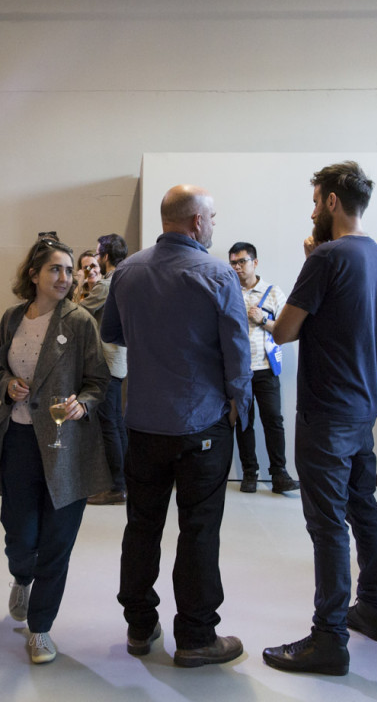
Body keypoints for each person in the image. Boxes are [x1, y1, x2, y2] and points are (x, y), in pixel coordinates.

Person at [102, 184, 250, 669]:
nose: (214, 225)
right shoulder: (218, 274)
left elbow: (112, 333)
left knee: (141, 526)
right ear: (196, 221)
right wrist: (240, 405)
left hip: (144, 423)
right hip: (201, 423)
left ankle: (139, 625)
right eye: (212, 217)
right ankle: (196, 636)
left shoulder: (127, 271)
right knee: (199, 530)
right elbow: (237, 350)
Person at [262, 161, 377, 677]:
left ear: (333, 202)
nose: (313, 210)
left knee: (327, 523)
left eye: (316, 201)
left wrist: (311, 263)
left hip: (326, 410)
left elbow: (284, 332)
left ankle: (329, 637)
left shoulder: (328, 257)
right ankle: (374, 608)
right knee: (364, 509)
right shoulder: (375, 254)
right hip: (361, 405)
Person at [0, 237, 110, 664]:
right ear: (34, 274)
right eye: (56, 269)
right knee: (19, 534)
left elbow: (98, 381)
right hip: (19, 440)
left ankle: (40, 629)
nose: (65, 277)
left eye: (69, 270)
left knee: (58, 540)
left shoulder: (79, 322)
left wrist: (83, 403)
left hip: (65, 445)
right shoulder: (12, 318)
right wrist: (7, 385)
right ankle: (22, 576)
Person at [227, 241, 296, 494]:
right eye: (233, 263)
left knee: (273, 421)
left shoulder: (273, 292)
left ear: (255, 262)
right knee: (244, 422)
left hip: (266, 368)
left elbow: (287, 330)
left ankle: (279, 474)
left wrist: (263, 319)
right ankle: (249, 473)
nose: (237, 267)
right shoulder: (228, 291)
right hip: (239, 370)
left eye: (241, 261)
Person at [82, 233, 128, 506]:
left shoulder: (106, 284)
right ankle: (123, 483)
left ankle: (116, 487)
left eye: (98, 254)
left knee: (108, 425)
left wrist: (78, 287)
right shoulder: (125, 279)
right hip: (119, 362)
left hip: (107, 363)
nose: (96, 258)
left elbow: (76, 313)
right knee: (116, 424)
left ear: (106, 256)